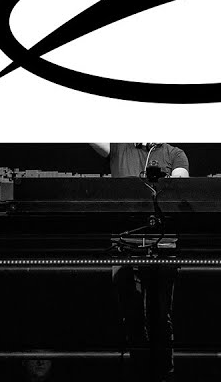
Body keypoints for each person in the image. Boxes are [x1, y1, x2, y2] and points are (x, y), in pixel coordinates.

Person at [87, 142, 189, 382]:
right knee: (132, 318)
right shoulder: (119, 147)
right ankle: (139, 373)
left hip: (163, 248)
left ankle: (164, 374)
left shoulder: (175, 154)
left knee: (160, 317)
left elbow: (180, 183)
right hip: (126, 247)